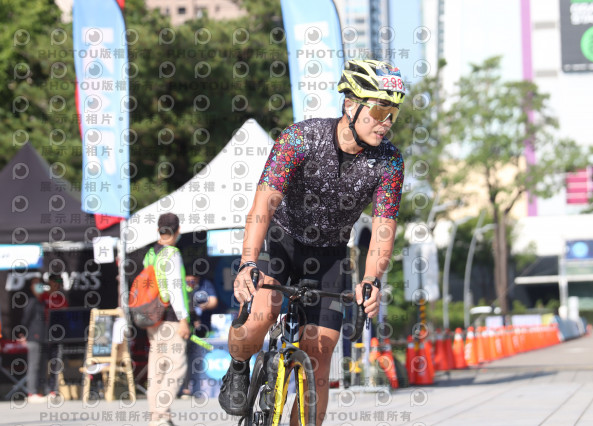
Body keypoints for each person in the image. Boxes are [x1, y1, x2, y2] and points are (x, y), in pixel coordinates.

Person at [219, 59, 406, 425]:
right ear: (350, 105)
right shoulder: (302, 138)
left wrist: (371, 279)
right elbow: (264, 202)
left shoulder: (389, 162)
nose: (385, 122)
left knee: (319, 360)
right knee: (260, 318)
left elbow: (384, 228)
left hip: (330, 256)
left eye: (392, 114)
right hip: (282, 242)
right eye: (378, 110)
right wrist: (247, 261)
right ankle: (239, 363)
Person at [146, 213, 190, 426]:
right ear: (178, 230)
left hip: (152, 318)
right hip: (171, 318)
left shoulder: (150, 254)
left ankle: (156, 416)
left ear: (158, 230)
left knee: (157, 368)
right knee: (177, 367)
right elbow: (175, 289)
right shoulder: (172, 253)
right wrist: (183, 320)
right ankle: (162, 414)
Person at [178, 273, 218, 398]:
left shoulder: (204, 285)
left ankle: (190, 388)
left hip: (197, 331)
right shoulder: (181, 287)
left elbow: (213, 301)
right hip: (183, 329)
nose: (191, 281)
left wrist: (201, 308)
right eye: (188, 279)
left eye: (193, 279)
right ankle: (183, 388)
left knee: (193, 360)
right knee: (182, 359)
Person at [17, 275, 49, 403]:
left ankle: (42, 390)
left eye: (40, 283)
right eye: (36, 284)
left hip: (43, 337)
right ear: (31, 287)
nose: (38, 286)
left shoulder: (42, 301)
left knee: (43, 366)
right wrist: (22, 335)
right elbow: (25, 319)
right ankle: (32, 392)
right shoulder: (31, 301)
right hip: (33, 337)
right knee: (33, 365)